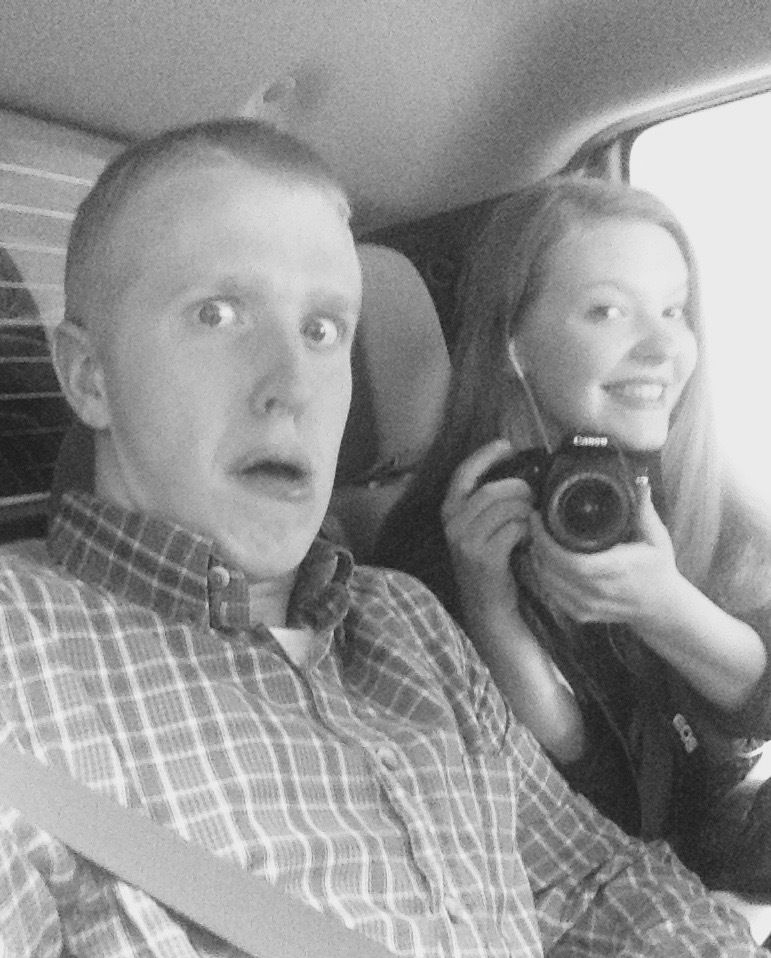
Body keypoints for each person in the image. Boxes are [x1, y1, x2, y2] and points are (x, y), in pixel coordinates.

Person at [0, 123, 766, 958]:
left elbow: (594, 884)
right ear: (89, 376)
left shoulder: (403, 624)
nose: (292, 384)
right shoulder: (22, 663)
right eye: (217, 314)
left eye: (323, 330)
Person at [374, 174, 771, 894]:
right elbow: (572, 825)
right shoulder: (431, 556)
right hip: (607, 895)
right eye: (607, 311)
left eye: (674, 310)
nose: (663, 346)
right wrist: (492, 615)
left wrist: (665, 609)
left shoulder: (706, 494)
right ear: (514, 345)